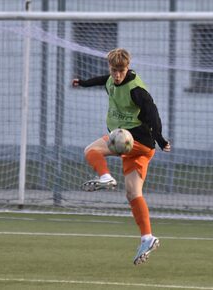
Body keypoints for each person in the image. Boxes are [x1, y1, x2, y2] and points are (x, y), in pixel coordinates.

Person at [72, 48, 171, 265]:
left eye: (121, 70)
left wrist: (162, 139)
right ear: (110, 68)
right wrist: (83, 82)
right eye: (114, 70)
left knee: (91, 150)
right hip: (141, 150)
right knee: (133, 193)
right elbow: (102, 80)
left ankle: (106, 176)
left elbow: (152, 113)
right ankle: (147, 237)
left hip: (132, 140)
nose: (117, 75)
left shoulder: (136, 90)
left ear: (128, 68)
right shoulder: (110, 80)